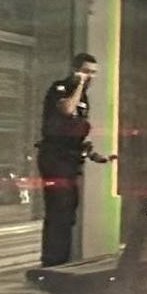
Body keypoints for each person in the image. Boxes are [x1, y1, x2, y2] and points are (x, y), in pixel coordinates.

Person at [36, 52, 117, 267]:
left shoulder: (84, 98)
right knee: (58, 209)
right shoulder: (60, 89)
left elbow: (76, 131)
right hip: (55, 159)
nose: (90, 77)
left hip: (72, 161)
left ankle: (62, 259)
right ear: (75, 70)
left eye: (93, 74)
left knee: (69, 210)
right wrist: (79, 84)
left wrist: (94, 155)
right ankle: (51, 261)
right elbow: (67, 110)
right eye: (86, 72)